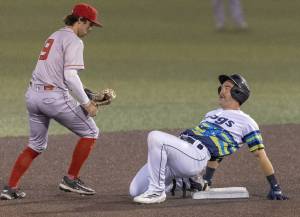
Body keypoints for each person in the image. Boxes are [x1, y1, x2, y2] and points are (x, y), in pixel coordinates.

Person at [129, 74, 288, 204]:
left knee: (155, 137)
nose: (221, 90)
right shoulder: (211, 114)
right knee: (135, 190)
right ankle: (184, 182)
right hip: (180, 155)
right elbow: (216, 154)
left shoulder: (247, 122)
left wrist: (275, 186)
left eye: (227, 87)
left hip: (195, 156)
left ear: (238, 93)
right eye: (222, 87)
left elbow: (260, 154)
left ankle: (157, 191)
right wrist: (207, 180)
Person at [0, 3, 103, 200]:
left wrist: (85, 93)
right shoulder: (74, 41)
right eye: (90, 24)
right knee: (91, 131)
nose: (90, 29)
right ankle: (70, 179)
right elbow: (71, 76)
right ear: (80, 20)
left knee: (36, 145)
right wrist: (86, 103)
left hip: (33, 96)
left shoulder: (55, 35)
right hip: (52, 98)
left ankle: (10, 188)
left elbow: (58, 75)